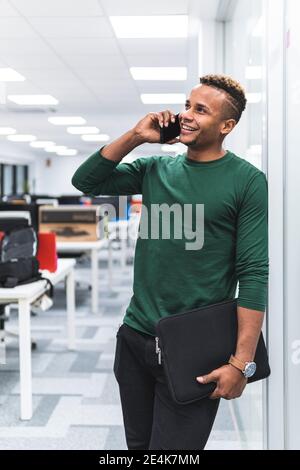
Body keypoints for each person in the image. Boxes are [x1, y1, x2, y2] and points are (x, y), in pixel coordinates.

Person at [71, 74, 269, 450]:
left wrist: (242, 363)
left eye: (201, 110)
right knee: (138, 448)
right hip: (135, 337)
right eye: (187, 106)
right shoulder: (154, 170)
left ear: (227, 126)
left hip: (194, 347)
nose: (187, 115)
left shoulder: (246, 180)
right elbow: (86, 182)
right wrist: (135, 136)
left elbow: (254, 273)